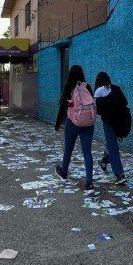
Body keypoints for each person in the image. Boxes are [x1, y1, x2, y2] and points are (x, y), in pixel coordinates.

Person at [54, 65, 96, 195]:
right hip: (88, 124)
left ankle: (64, 172)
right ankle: (89, 182)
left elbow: (62, 106)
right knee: (87, 152)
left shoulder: (70, 86)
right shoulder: (87, 87)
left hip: (72, 123)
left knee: (68, 149)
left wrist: (57, 124)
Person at [93, 71, 128, 185]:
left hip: (108, 122)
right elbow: (125, 102)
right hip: (120, 121)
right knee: (111, 143)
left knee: (112, 145)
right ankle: (104, 162)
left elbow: (98, 110)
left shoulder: (99, 91)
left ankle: (119, 174)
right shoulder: (116, 88)